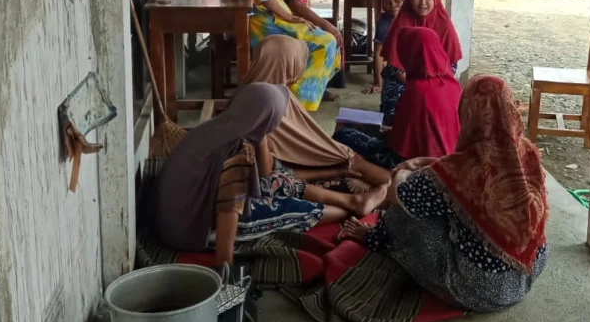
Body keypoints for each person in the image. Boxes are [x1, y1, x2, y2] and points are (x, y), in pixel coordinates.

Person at [339, 76, 548, 312]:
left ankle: (375, 238)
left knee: (405, 215)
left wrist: (402, 171)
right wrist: (427, 163)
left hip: (484, 290)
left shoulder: (460, 172)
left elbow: (399, 196)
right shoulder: (526, 153)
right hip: (528, 270)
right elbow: (465, 169)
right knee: (445, 204)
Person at [151, 84, 387, 266]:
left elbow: (266, 173)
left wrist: (260, 133)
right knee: (284, 209)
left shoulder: (218, 129)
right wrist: (226, 273)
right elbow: (228, 217)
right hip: (191, 231)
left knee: (278, 181)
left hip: (183, 213)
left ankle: (354, 201)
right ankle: (346, 211)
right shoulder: (237, 159)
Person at [244, 35, 393, 187]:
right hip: (286, 172)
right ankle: (401, 191)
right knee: (353, 160)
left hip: (289, 165)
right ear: (286, 64)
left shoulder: (252, 91)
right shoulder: (268, 102)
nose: (300, 71)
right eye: (298, 62)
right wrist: (335, 164)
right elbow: (271, 172)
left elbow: (304, 136)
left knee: (346, 148)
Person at [334, 26, 461, 169]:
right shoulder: (453, 85)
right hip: (447, 160)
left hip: (415, 164)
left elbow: (399, 147)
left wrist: (389, 134)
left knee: (344, 134)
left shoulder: (417, 91)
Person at [377, 0, 462, 124]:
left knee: (439, 113)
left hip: (436, 83)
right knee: (398, 116)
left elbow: (452, 65)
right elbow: (394, 65)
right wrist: (417, 86)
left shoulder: (444, 26)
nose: (422, 3)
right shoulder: (402, 23)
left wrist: (430, 86)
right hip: (403, 80)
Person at [364, 0, 407, 95]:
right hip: (396, 67)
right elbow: (378, 55)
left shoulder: (412, 19)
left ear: (405, 1)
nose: (393, 6)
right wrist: (378, 83)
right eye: (388, 3)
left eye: (397, 1)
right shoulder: (384, 23)